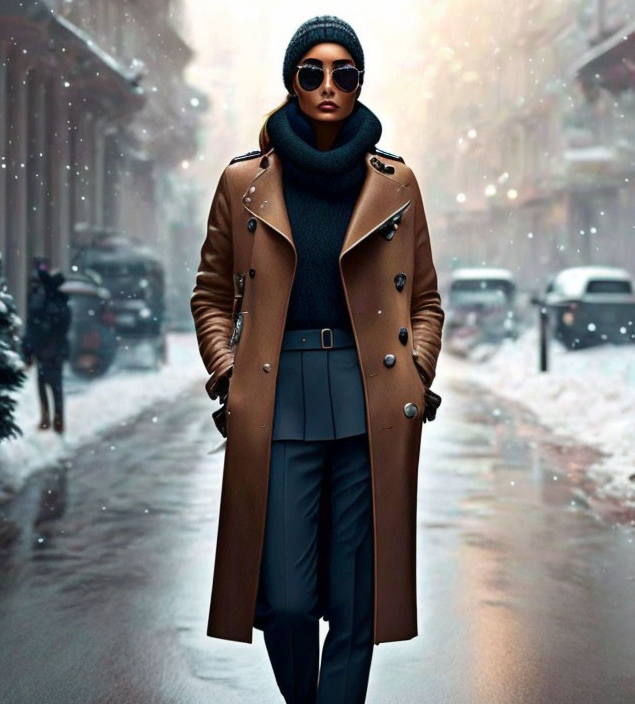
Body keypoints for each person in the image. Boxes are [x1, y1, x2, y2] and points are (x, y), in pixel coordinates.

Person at [190, 15, 444, 704]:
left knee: (356, 593)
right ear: (292, 82)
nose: (329, 86)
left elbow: (425, 300)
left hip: (372, 400)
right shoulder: (245, 180)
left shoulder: (395, 182)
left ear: (359, 83)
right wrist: (227, 371)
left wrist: (417, 372)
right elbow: (211, 292)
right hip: (277, 396)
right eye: (313, 72)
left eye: (344, 73)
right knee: (290, 597)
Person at [22, 262, 72, 433]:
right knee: (49, 385)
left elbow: (38, 327)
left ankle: (52, 419)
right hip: (50, 349)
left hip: (49, 349)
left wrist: (31, 348)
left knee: (49, 384)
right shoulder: (56, 301)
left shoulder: (49, 302)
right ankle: (53, 419)